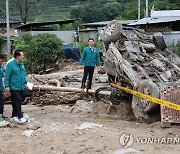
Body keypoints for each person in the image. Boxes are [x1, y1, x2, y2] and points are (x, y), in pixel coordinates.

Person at [5, 49, 28, 124]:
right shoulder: (10, 64)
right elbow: (7, 76)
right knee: (17, 100)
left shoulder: (21, 64)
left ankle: (13, 116)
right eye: (22, 55)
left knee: (23, 96)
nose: (23, 57)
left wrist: (25, 83)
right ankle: (20, 117)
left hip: (21, 86)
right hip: (14, 86)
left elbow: (23, 74)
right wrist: (6, 85)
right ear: (17, 56)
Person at [0, 54, 10, 127]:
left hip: (0, 88)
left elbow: (3, 77)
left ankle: (1, 114)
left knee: (2, 100)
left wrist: (5, 86)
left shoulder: (1, 67)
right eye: (1, 59)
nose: (2, 61)